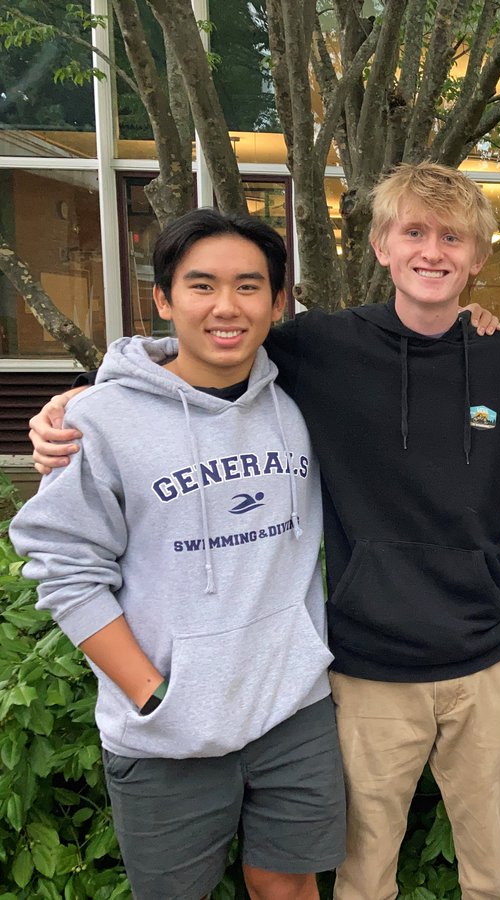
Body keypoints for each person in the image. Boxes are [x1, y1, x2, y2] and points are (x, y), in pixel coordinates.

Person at [28, 163, 500, 900]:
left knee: (496, 880)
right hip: (367, 666)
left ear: (479, 256)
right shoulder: (320, 347)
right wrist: (86, 399)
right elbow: (203, 348)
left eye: (453, 238)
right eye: (414, 232)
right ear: (381, 245)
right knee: (362, 881)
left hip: (486, 660)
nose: (432, 252)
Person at [9, 209, 345, 899]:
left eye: (248, 286)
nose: (226, 306)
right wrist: (150, 692)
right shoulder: (101, 422)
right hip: (165, 729)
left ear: (277, 301)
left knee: (288, 885)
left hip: (292, 709)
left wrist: (467, 314)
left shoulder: (301, 400)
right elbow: (66, 570)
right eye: (202, 285)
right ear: (163, 299)